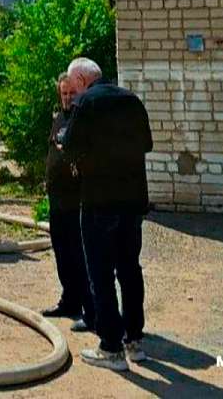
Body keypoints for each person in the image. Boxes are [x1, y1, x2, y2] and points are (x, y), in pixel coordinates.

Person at [62, 57, 153, 371]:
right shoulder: (131, 100)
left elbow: (70, 147)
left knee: (101, 275)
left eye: (73, 87)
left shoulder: (86, 103)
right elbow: (147, 144)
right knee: (130, 271)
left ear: (83, 81)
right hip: (132, 203)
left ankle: (111, 348)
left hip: (99, 203)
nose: (72, 93)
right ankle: (135, 341)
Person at [42, 73, 96, 334]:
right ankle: (69, 301)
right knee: (62, 255)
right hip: (57, 201)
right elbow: (53, 152)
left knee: (80, 257)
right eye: (63, 94)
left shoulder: (82, 120)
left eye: (71, 93)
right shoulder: (58, 119)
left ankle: (90, 309)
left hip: (76, 202)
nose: (67, 98)